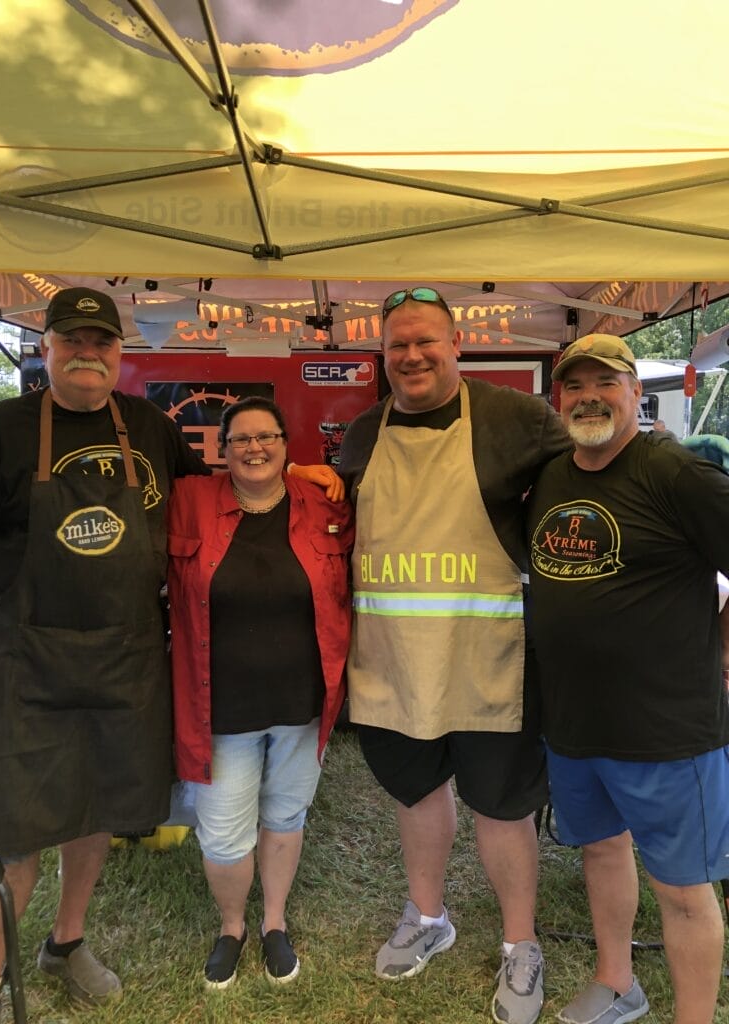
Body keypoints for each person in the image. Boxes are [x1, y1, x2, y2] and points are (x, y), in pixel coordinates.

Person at [0, 287, 340, 1015]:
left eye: (101, 343)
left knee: (97, 807)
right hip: (30, 659)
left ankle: (65, 941)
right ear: (46, 347)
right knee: (13, 823)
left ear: (119, 353)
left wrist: (293, 473)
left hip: (130, 656)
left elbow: (221, 488)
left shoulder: (146, 427)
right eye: (71, 340)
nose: (87, 353)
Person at [337, 286, 570, 1024]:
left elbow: (587, 486)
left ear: (456, 346)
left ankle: (521, 945)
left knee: (502, 808)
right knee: (415, 794)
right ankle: (428, 917)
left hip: (486, 654)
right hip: (395, 657)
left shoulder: (515, 418)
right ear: (383, 356)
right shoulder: (363, 433)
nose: (411, 356)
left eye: (425, 341)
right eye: (397, 345)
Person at [526, 334, 729, 1024]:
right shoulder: (552, 476)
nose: (588, 397)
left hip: (669, 733)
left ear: (637, 394)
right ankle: (618, 983)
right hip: (575, 724)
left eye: (606, 383)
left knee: (683, 889)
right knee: (602, 853)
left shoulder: (676, 474)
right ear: (559, 400)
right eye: (574, 386)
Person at [166, 396, 354, 989]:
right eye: (240, 439)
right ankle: (231, 927)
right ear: (222, 450)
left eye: (266, 437)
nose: (254, 448)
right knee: (223, 830)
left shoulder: (321, 504)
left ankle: (273, 922)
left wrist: (303, 474)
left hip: (302, 703)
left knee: (285, 813)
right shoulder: (190, 500)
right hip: (219, 707)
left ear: (284, 444)